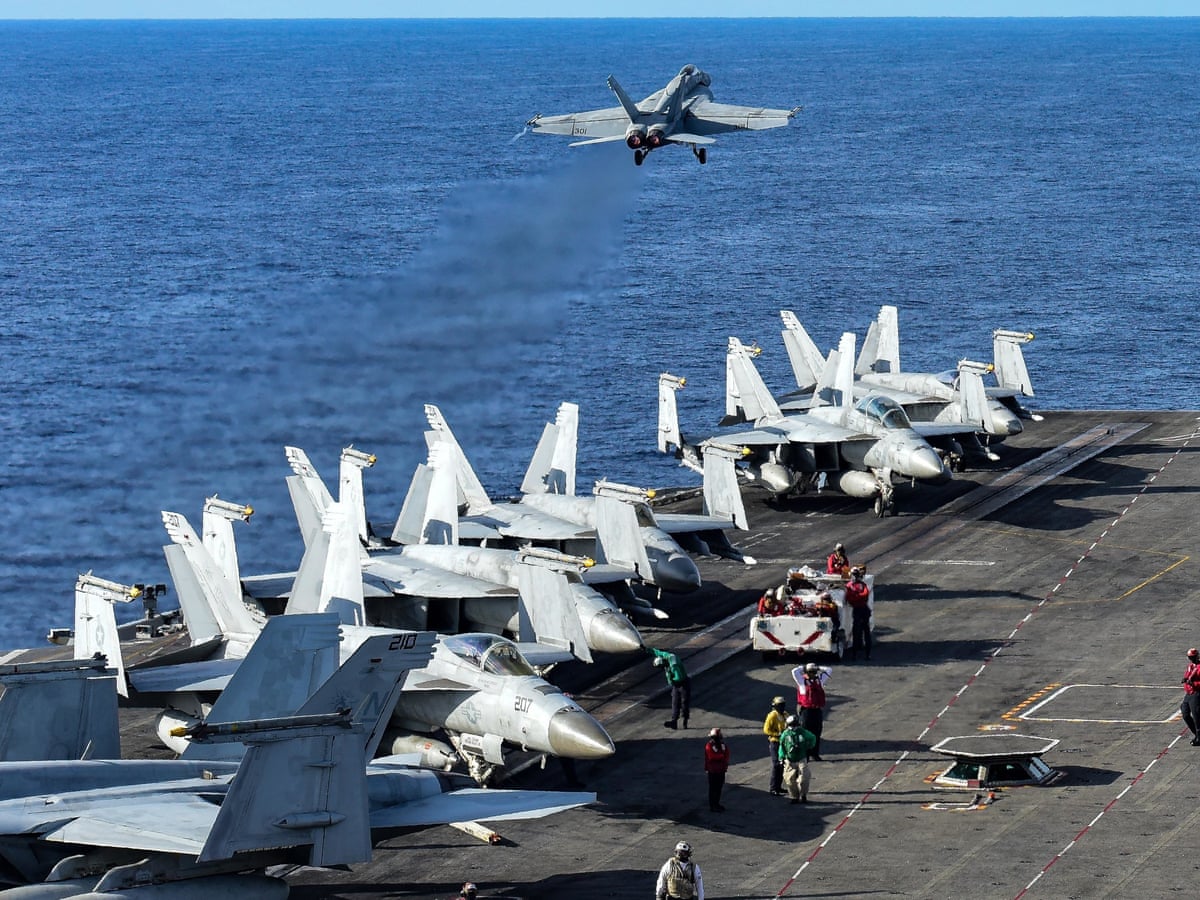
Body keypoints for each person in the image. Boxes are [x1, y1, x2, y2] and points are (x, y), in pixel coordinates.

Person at [778, 715, 816, 804]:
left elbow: (812, 738)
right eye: (791, 725)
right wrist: (781, 757)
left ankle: (803, 795)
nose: (793, 727)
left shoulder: (802, 732)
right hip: (789, 760)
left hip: (801, 759)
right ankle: (794, 797)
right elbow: (782, 746)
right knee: (789, 779)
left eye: (795, 725)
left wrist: (809, 746)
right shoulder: (785, 734)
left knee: (804, 778)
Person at [794, 662, 829, 760]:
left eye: (814, 672)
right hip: (806, 711)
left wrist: (818, 667)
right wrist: (803, 667)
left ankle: (815, 754)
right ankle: (805, 755)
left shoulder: (819, 680)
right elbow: (794, 672)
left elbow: (829, 670)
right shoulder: (802, 681)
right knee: (805, 733)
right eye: (810, 672)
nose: (813, 674)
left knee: (817, 733)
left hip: (817, 710)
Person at [650, 647, 691, 729]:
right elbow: (657, 652)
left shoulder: (673, 666)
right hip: (677, 685)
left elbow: (678, 678)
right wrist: (646, 649)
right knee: (675, 703)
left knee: (684, 703)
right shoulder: (666, 656)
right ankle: (674, 721)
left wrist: (670, 677)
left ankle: (685, 719)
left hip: (683, 683)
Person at [844, 567, 872, 660]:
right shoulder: (850, 585)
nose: (855, 577)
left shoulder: (860, 585)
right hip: (859, 609)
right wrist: (858, 597)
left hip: (862, 609)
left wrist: (856, 597)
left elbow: (865, 595)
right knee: (857, 632)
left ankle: (867, 654)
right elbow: (850, 598)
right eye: (854, 575)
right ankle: (855, 655)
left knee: (865, 632)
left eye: (856, 575)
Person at [762, 696, 787, 795]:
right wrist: (777, 734)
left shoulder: (785, 715)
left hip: (783, 743)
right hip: (775, 742)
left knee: (782, 765)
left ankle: (778, 786)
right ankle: (773, 788)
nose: (782, 707)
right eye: (780, 706)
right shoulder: (772, 716)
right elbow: (766, 730)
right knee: (776, 764)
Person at [703, 727, 730, 812]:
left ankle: (716, 804)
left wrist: (724, 761)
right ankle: (713, 805)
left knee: (718, 788)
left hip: (720, 770)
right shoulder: (709, 745)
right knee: (713, 788)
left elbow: (727, 754)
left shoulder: (722, 745)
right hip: (713, 771)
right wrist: (722, 757)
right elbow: (712, 756)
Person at [1181, 647, 1200, 746]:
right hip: (1189, 693)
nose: (1191, 659)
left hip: (1196, 693)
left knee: (1197, 716)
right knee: (1185, 713)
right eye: (1190, 657)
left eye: (1193, 657)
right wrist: (1185, 679)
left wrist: (1193, 684)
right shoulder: (1190, 666)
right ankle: (1197, 735)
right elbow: (1188, 675)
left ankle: (1199, 738)